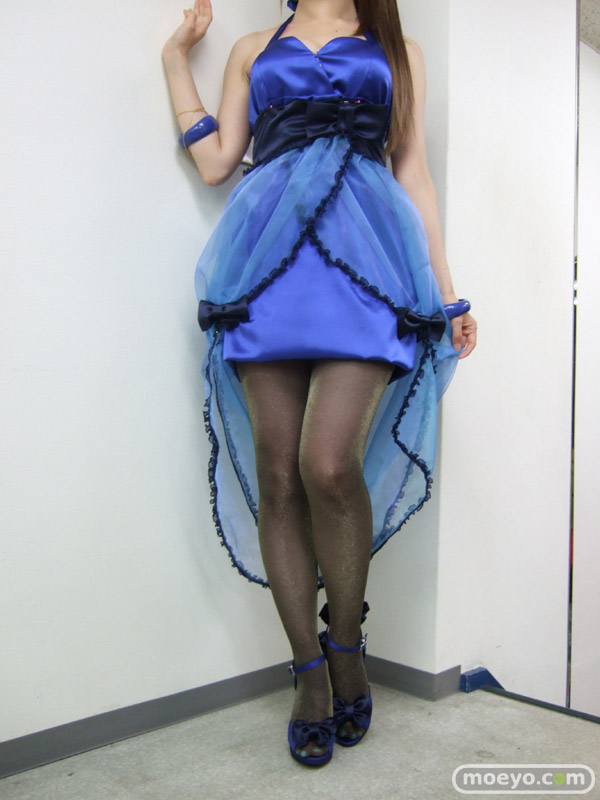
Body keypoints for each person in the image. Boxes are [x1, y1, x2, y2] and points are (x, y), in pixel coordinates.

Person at [162, 0, 477, 768]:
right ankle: (307, 672)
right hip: (265, 265)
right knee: (278, 474)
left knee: (327, 466)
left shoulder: (397, 47)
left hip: (367, 266)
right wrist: (176, 59)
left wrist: (447, 292)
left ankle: (345, 646)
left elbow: (413, 173)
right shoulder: (252, 47)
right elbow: (218, 162)